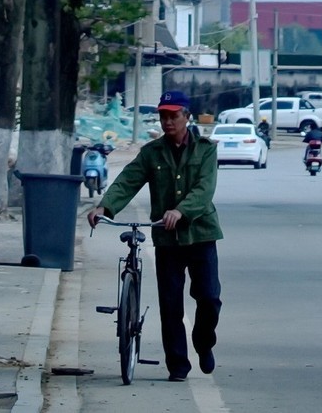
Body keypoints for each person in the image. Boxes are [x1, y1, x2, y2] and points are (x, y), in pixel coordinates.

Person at [87, 90, 222, 383]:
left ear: (187, 117)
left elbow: (204, 189)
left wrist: (181, 211)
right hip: (167, 238)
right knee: (170, 304)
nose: (168, 122)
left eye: (173, 116)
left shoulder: (205, 150)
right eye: (163, 116)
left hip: (201, 233)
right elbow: (128, 180)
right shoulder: (152, 152)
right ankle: (178, 364)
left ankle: (203, 342)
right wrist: (104, 206)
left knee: (209, 298)